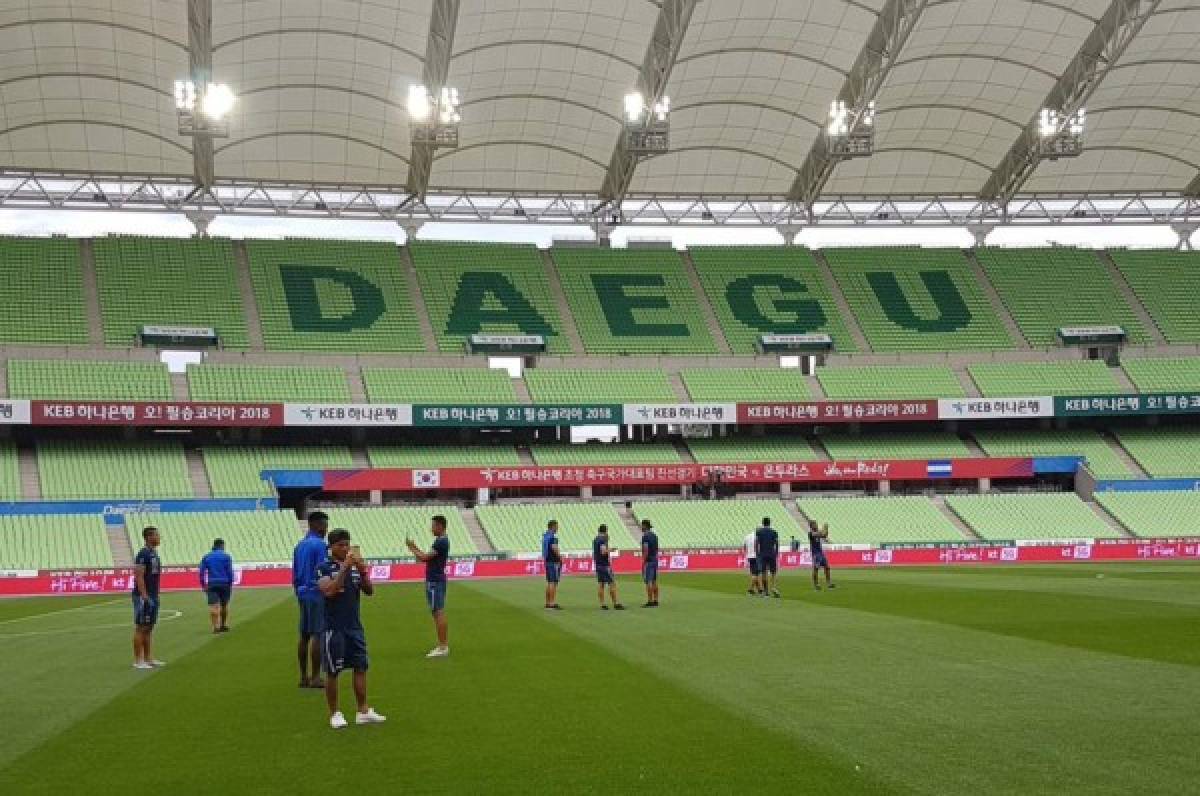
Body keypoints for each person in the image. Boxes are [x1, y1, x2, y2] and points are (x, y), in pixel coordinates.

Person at [316, 529, 385, 729]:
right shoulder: (323, 568)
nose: (345, 549)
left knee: (360, 667)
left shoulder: (354, 567)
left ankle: (363, 710)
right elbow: (329, 591)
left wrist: (362, 570)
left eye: (347, 545)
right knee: (333, 671)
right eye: (341, 545)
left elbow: (369, 591)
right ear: (331, 547)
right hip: (333, 628)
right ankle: (334, 713)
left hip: (354, 626)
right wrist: (344, 568)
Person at [292, 510, 329, 689]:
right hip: (316, 592)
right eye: (324, 525)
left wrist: (298, 591)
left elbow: (294, 572)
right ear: (317, 525)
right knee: (317, 634)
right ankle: (315, 677)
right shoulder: (320, 545)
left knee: (304, 635)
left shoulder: (300, 545)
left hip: (302, 592)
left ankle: (303, 677)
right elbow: (323, 570)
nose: (326, 529)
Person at [407, 514, 451, 658]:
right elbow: (427, 556)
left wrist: (412, 548)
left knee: (438, 612)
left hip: (435, 581)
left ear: (440, 526)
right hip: (437, 579)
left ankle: (443, 646)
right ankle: (443, 645)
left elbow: (424, 558)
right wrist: (414, 548)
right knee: (437, 612)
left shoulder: (441, 542)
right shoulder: (441, 541)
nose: (431, 529)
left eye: (433, 526)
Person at [132, 526, 164, 670]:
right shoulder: (143, 554)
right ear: (149, 537)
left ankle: (148, 658)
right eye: (157, 535)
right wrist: (144, 595)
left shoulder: (154, 553)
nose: (159, 538)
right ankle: (138, 660)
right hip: (143, 596)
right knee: (141, 627)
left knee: (149, 627)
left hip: (153, 594)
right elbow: (139, 576)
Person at [199, 538, 234, 633]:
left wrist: (203, 585)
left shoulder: (207, 557)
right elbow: (230, 572)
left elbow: (201, 572)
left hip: (212, 583)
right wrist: (230, 583)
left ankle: (216, 627)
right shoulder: (226, 556)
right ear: (222, 545)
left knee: (213, 606)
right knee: (224, 605)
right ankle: (223, 624)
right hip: (224, 583)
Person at [592, 524, 624, 610]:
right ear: (606, 531)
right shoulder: (602, 540)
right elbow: (603, 552)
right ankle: (616, 603)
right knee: (612, 583)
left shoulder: (595, 539)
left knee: (601, 584)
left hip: (598, 564)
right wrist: (611, 549)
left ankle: (602, 604)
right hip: (604, 565)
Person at [755, 517, 781, 598]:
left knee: (764, 572)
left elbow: (757, 543)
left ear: (763, 523)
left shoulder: (759, 532)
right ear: (770, 523)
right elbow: (777, 544)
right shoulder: (774, 532)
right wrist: (776, 553)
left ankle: (766, 592)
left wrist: (757, 553)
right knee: (773, 572)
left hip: (763, 554)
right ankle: (773, 587)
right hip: (772, 554)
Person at [808, 520, 835, 591]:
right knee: (816, 568)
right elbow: (821, 534)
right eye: (815, 525)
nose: (816, 525)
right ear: (811, 526)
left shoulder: (817, 532)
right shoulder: (811, 533)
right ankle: (816, 584)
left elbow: (824, 535)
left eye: (816, 524)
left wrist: (826, 529)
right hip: (816, 554)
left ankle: (829, 583)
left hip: (821, 552)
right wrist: (824, 528)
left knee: (827, 567)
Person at [542, 520, 563, 610]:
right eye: (557, 526)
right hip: (553, 561)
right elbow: (554, 548)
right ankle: (552, 603)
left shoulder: (545, 536)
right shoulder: (552, 537)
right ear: (553, 526)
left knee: (550, 582)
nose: (558, 528)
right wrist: (560, 557)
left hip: (547, 561)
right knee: (553, 582)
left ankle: (548, 602)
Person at [640, 519, 659, 607]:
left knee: (648, 581)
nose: (641, 527)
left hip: (649, 561)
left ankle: (650, 601)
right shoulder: (654, 535)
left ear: (645, 526)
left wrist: (644, 561)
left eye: (642, 525)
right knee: (654, 581)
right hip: (655, 559)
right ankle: (656, 600)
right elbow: (656, 548)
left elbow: (646, 549)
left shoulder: (645, 536)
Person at [743, 529, 761, 596]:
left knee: (754, 574)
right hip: (756, 557)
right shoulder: (758, 537)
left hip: (749, 557)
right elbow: (759, 547)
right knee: (756, 574)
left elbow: (744, 547)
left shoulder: (747, 536)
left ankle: (759, 590)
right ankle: (750, 590)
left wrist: (747, 554)